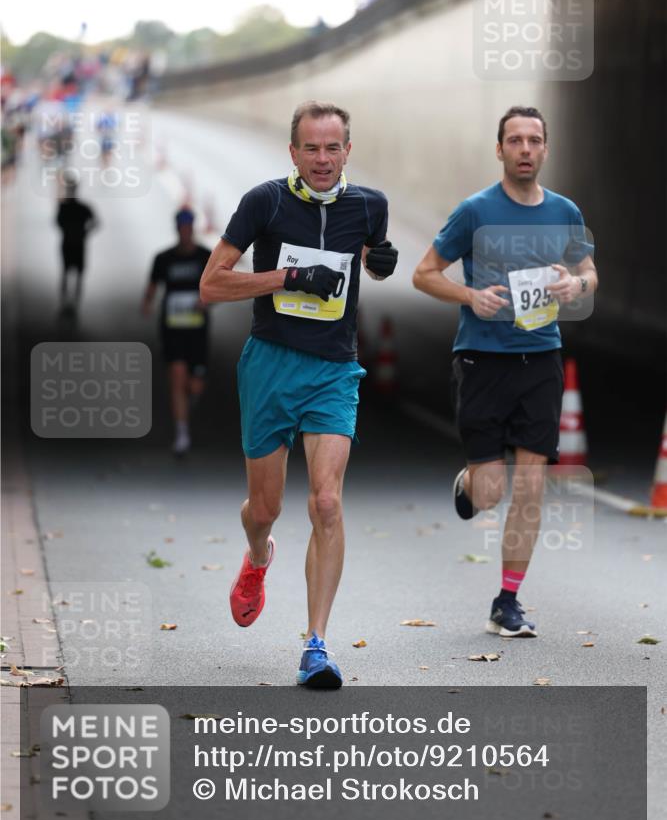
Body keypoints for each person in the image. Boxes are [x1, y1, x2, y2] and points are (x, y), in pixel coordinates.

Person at [199, 100, 398, 688]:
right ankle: (259, 556)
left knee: (327, 503)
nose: (322, 159)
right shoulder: (265, 201)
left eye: (332, 147)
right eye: (310, 148)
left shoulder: (370, 206)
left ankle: (316, 645)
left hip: (335, 369)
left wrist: (380, 262)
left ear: (347, 151)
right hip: (270, 365)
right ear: (293, 152)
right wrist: (286, 277)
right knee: (265, 510)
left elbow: (375, 264)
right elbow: (211, 285)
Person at [413, 106, 597, 638]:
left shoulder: (565, 211)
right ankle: (471, 484)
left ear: (545, 149)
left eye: (533, 140)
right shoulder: (474, 211)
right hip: (481, 359)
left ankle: (507, 600)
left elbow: (588, 271)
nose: (523, 149)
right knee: (492, 491)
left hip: (540, 357)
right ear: (499, 150)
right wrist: (470, 295)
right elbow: (425, 274)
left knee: (533, 481)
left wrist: (576, 286)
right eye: (513, 140)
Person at [142, 208, 211, 456]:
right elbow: (152, 286)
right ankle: (182, 433)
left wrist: (207, 301)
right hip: (172, 328)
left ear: (192, 229)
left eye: (188, 227)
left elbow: (219, 287)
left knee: (194, 386)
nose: (185, 232)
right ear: (176, 229)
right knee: (177, 374)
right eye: (181, 227)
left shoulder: (205, 257)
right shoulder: (164, 258)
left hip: (197, 331)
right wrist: (147, 303)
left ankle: (190, 401)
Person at [55, 170, 99, 312]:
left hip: (69, 242)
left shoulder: (65, 207)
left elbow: (57, 223)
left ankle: (67, 302)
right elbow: (96, 222)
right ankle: (73, 302)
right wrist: (84, 232)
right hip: (77, 243)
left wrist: (69, 231)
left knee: (67, 272)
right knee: (75, 274)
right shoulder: (81, 207)